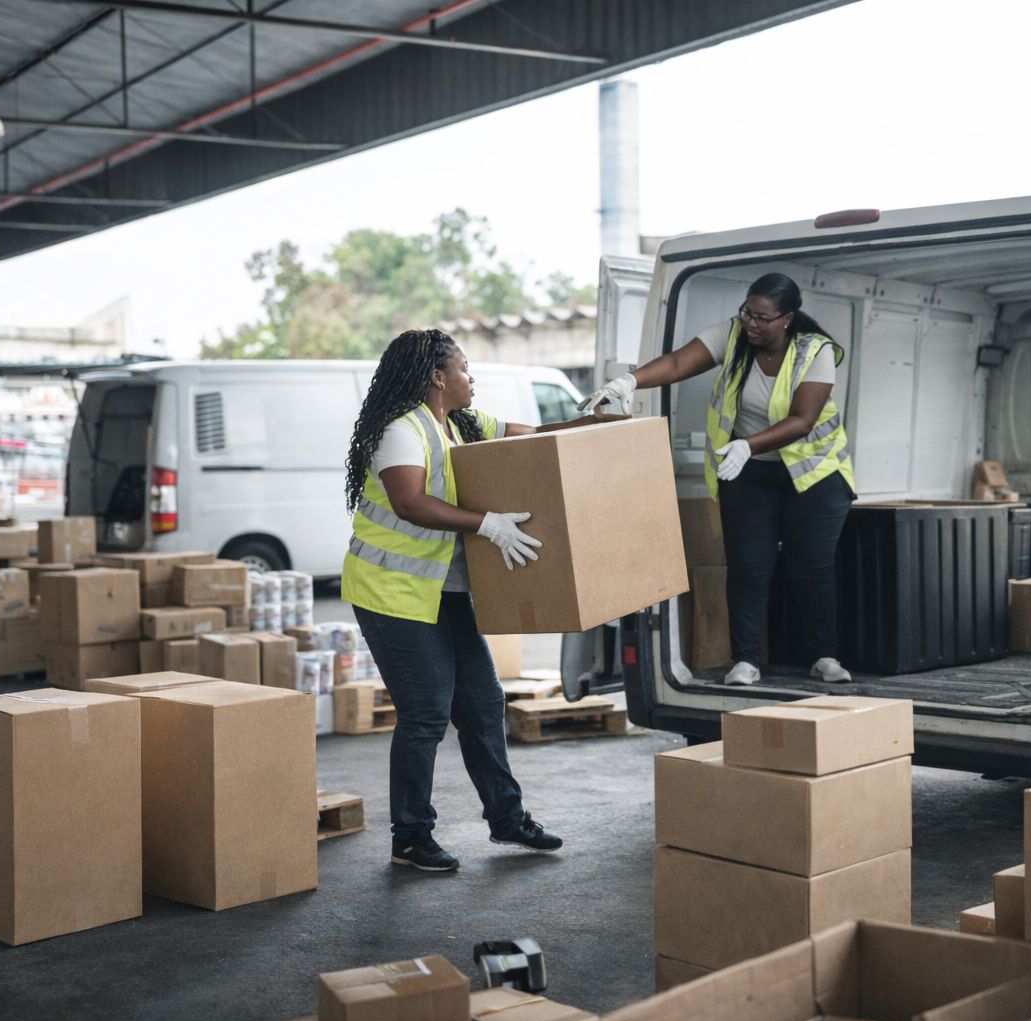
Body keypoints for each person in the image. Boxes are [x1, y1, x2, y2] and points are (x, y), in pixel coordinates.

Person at [342, 328, 563, 872]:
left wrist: (599, 425)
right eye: (464, 368)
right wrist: (485, 524)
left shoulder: (460, 423)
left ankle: (507, 820)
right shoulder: (402, 431)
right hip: (392, 594)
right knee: (426, 714)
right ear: (438, 377)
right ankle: (411, 837)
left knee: (484, 704)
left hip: (443, 591)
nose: (472, 378)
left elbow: (531, 436)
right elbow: (410, 502)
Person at [580, 272, 855, 686]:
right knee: (748, 567)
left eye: (763, 318)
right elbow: (676, 363)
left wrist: (748, 444)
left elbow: (802, 420)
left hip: (814, 473)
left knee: (810, 568)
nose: (751, 323)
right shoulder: (732, 335)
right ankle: (745, 661)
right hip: (747, 472)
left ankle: (823, 656)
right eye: (747, 312)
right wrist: (628, 381)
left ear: (787, 319)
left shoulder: (812, 351)